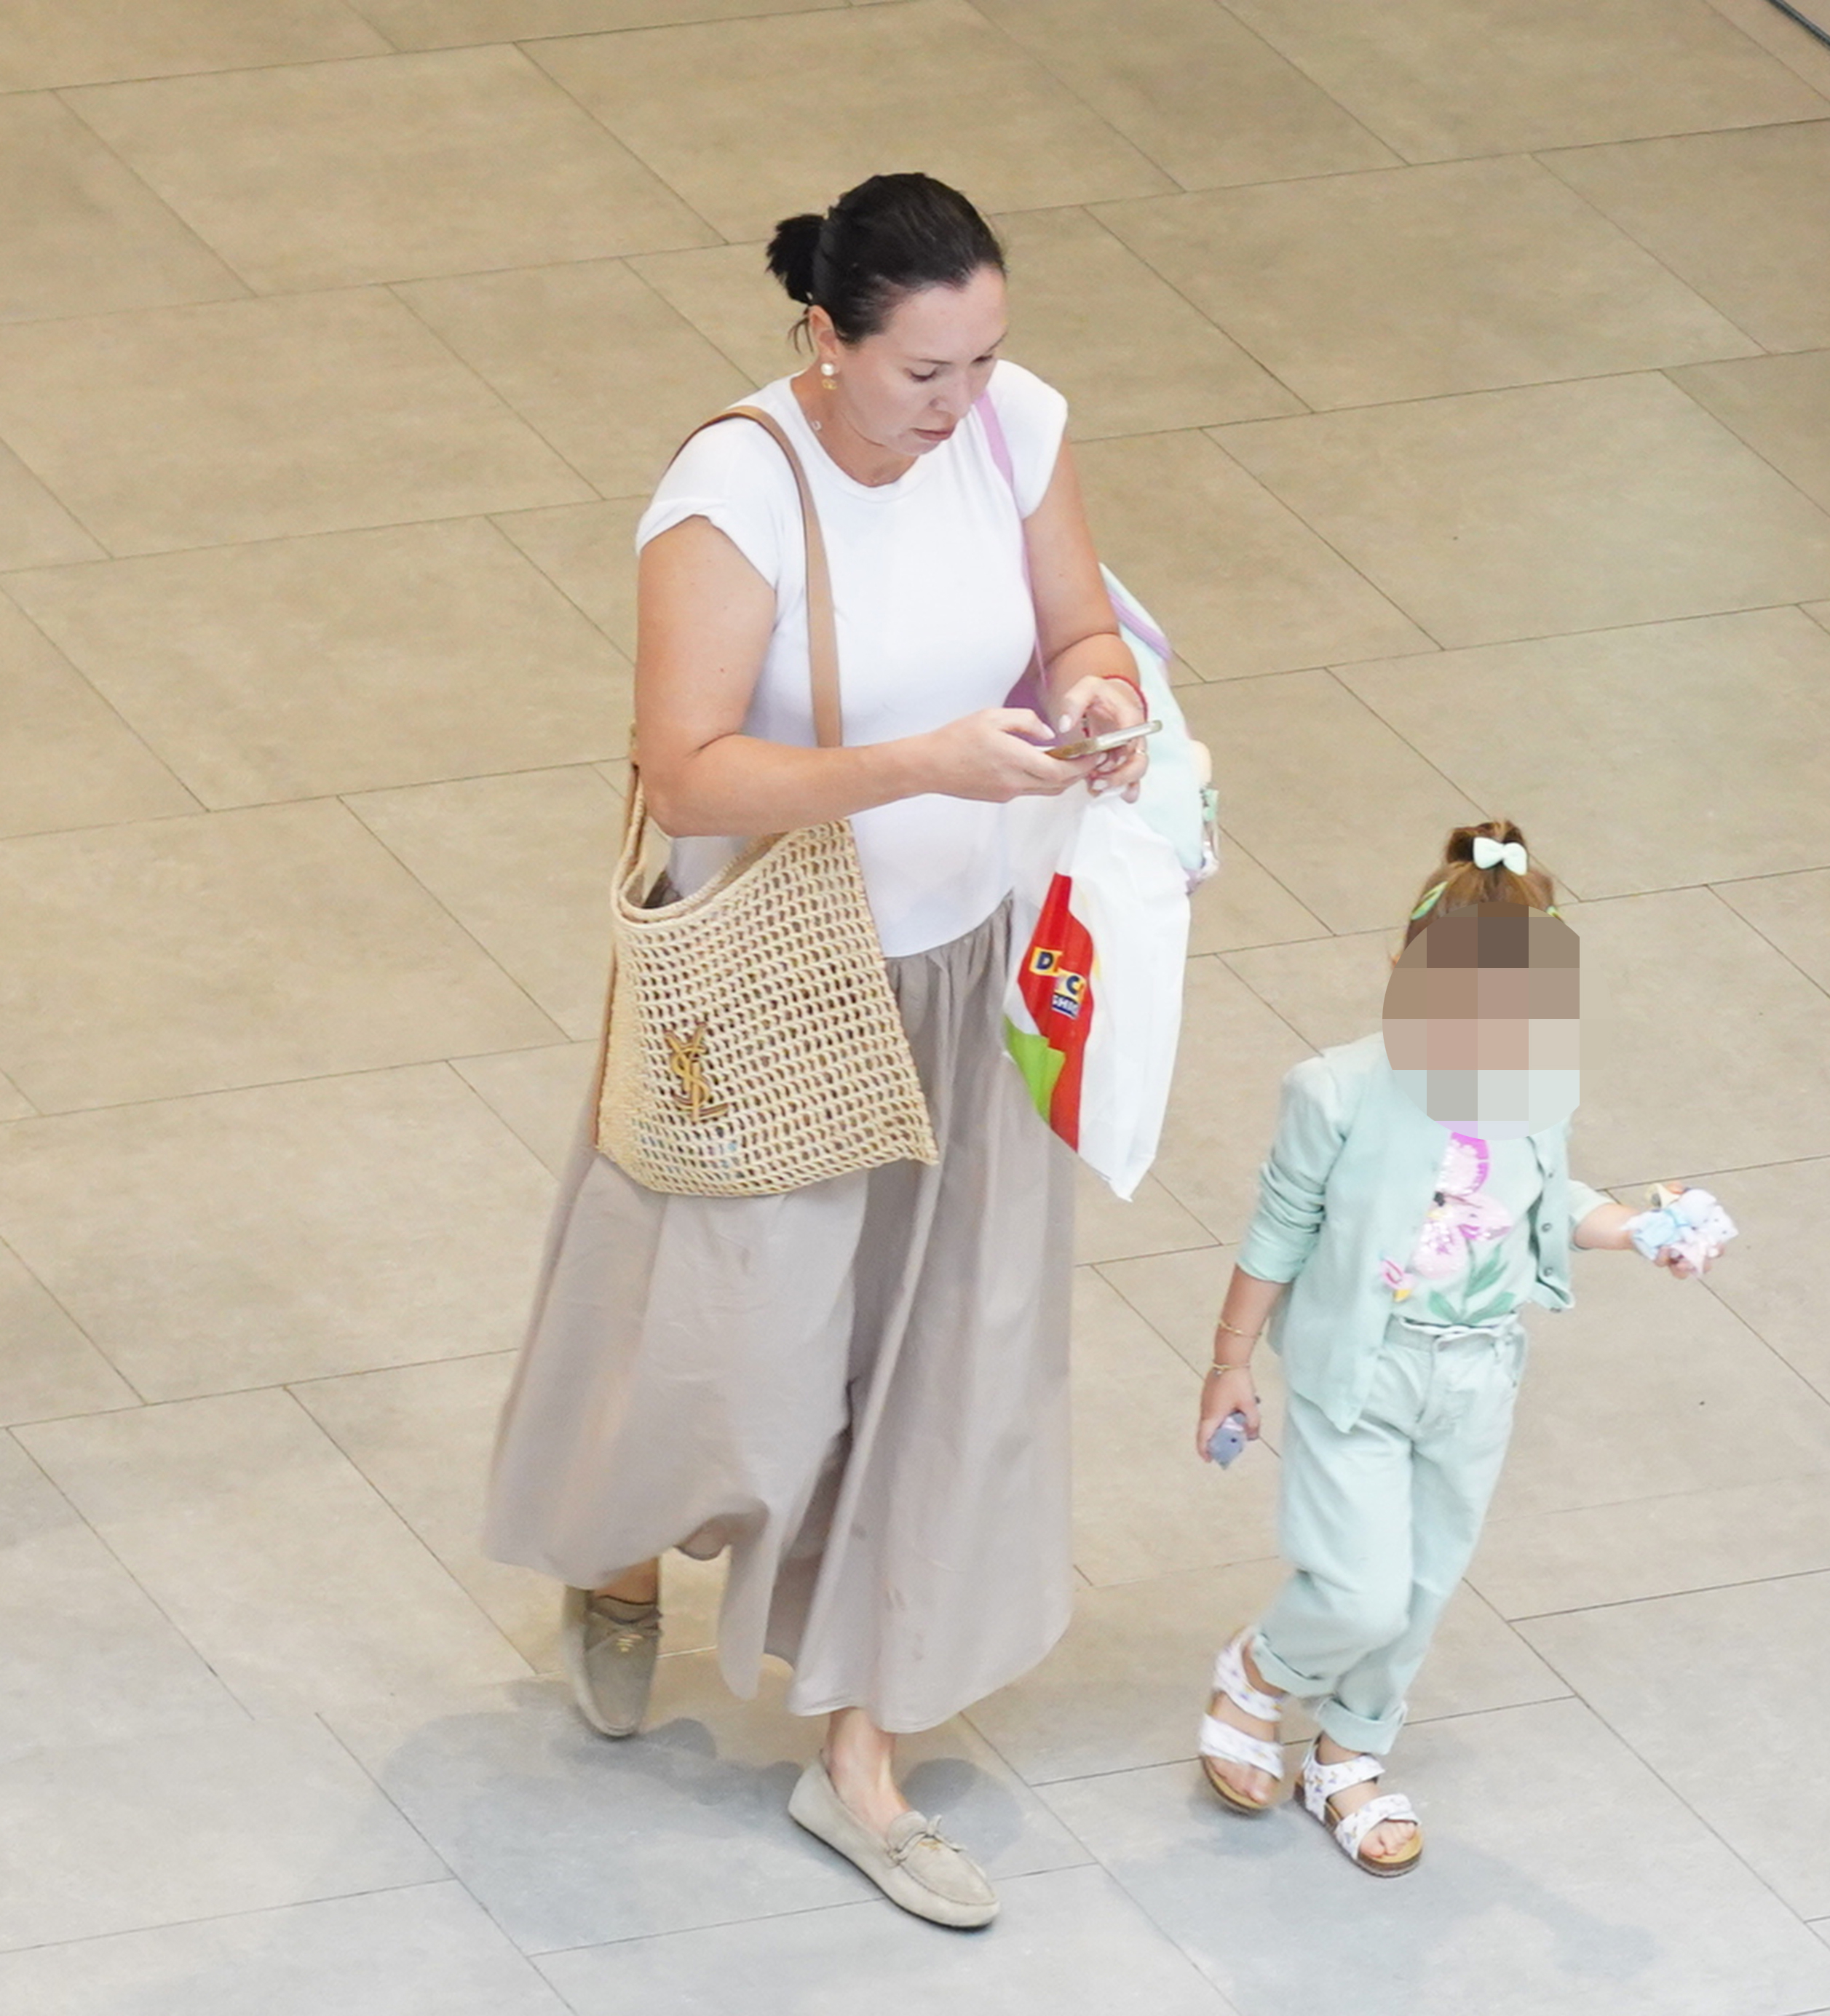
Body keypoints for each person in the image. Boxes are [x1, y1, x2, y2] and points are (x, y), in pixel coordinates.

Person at [481, 171, 1148, 1931]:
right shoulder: (732, 492)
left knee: (950, 1367)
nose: (964, 404)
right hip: (787, 978)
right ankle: (618, 1540)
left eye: (986, 358)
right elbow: (688, 769)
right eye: (927, 372)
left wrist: (1101, 699)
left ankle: (862, 1749)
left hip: (973, 966)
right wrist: (922, 763)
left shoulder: (1015, 431)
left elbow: (1081, 625)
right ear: (825, 341)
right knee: (730, 1345)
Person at [1189, 821, 1733, 1874]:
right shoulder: (1336, 1091)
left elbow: (1541, 1197)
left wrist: (1633, 1226)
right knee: (1359, 1586)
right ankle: (1260, 1672)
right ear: (1403, 974)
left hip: (1479, 1374)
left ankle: (1350, 1750)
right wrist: (1229, 1362)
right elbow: (1278, 1231)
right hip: (1364, 1371)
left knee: (1426, 1583)